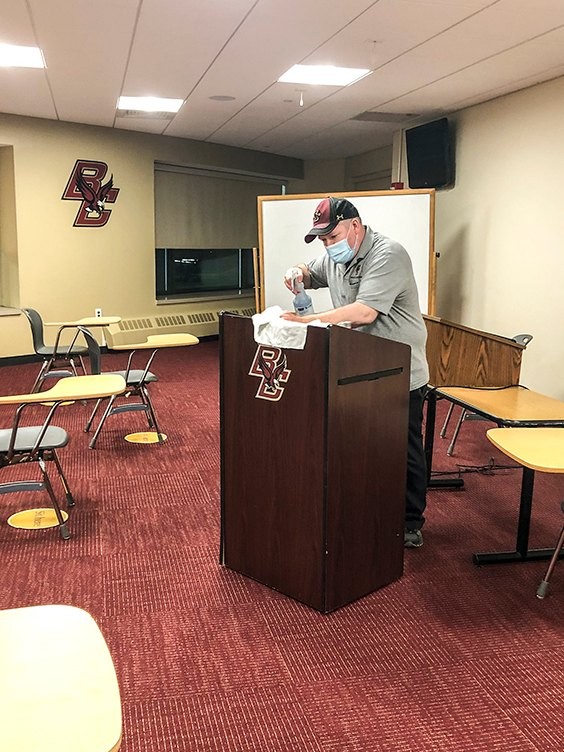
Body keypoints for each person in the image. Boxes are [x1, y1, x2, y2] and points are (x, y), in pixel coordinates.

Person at [281, 196, 429, 548]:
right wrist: (298, 271)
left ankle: (410, 522)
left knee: (402, 448)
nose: (328, 245)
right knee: (365, 444)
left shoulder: (387, 253)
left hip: (398, 369)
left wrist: (305, 322)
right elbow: (311, 270)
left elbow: (364, 312)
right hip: (359, 366)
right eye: (323, 239)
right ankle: (370, 507)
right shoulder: (335, 254)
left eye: (333, 237)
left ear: (356, 226)